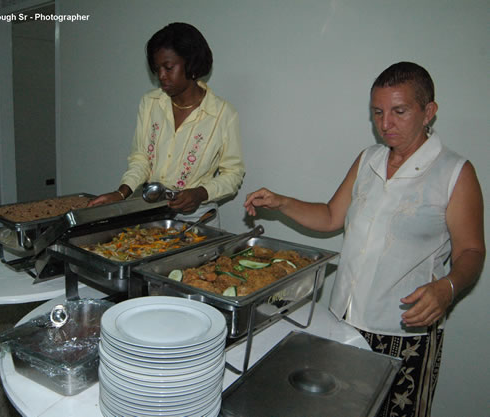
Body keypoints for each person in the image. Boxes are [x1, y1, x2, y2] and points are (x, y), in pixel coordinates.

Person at [244, 62, 485, 416]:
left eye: (399, 111)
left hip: (404, 330)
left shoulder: (454, 172)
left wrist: (447, 289)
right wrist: (281, 202)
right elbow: (330, 216)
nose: (385, 124)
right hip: (343, 320)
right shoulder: (369, 160)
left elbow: (472, 249)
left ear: (428, 112)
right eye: (377, 112)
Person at [88, 22, 245, 226]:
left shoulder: (223, 114)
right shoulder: (150, 103)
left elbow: (233, 174)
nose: (161, 76)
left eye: (168, 67)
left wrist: (200, 193)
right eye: (157, 69)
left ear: (191, 64)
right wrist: (122, 193)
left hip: (197, 221)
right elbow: (141, 158)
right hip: (150, 213)